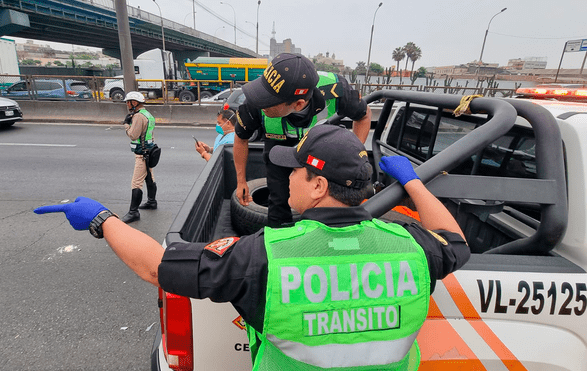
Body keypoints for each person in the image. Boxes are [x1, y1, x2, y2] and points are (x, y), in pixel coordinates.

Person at [34, 124, 469, 370]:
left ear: (318, 186)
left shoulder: (267, 255)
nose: (285, 180)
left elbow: (157, 268)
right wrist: (412, 180)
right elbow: (456, 243)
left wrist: (102, 220)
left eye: (294, 173)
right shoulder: (411, 246)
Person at [234, 52, 373, 228]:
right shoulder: (255, 101)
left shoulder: (336, 89)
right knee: (278, 201)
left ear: (298, 104)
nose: (260, 103)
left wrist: (351, 157)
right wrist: (241, 181)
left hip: (319, 146)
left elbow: (364, 115)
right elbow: (241, 137)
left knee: (329, 201)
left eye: (268, 101)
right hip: (279, 146)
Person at [122, 91, 157, 223]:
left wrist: (126, 124)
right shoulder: (148, 114)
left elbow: (133, 135)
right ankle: (152, 202)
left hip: (142, 154)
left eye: (128, 102)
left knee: (136, 183)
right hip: (149, 150)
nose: (126, 104)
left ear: (134, 103)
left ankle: (133, 212)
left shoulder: (138, 117)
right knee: (149, 176)